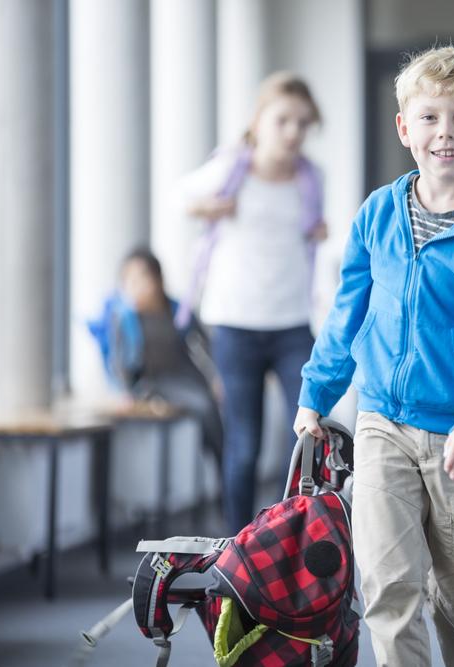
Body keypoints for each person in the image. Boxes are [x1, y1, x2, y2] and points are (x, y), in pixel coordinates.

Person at [293, 46, 454, 667]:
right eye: (430, 117)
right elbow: (347, 312)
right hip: (381, 423)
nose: (446, 133)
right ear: (405, 128)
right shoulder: (378, 213)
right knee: (387, 583)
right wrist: (315, 395)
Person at [178, 72, 326, 535]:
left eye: (303, 123)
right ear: (258, 121)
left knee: (303, 437)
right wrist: (208, 207)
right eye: (283, 120)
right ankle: (236, 546)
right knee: (243, 445)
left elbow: (312, 232)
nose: (293, 132)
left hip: (292, 324)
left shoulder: (310, 178)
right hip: (235, 323)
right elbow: (182, 196)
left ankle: (288, 542)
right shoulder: (231, 168)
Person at [89, 247, 223, 470]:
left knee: (208, 405)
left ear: (157, 279)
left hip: (187, 377)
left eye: (141, 277)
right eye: (128, 279)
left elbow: (205, 342)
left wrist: (218, 376)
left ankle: (221, 467)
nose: (135, 286)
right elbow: (117, 360)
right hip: (153, 384)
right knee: (203, 405)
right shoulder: (124, 317)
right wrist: (124, 391)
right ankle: (221, 465)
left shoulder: (176, 310)